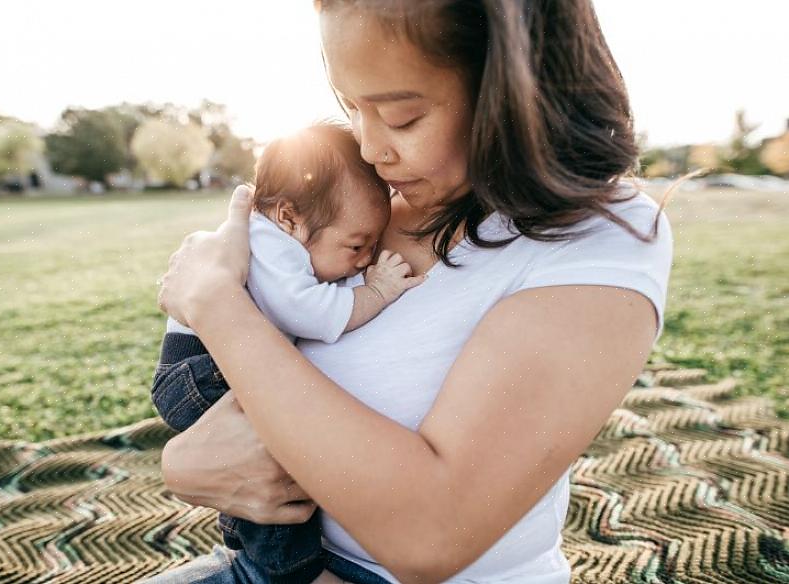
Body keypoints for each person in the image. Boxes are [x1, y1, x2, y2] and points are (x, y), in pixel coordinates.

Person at [148, 1, 674, 582]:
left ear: (512, 93)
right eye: (350, 106)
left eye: (401, 117)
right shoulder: (366, 205)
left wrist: (216, 306)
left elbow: (430, 534)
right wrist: (182, 465)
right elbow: (217, 429)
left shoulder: (598, 235)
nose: (371, 149)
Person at [151, 121, 424, 583]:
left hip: (204, 365)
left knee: (270, 448)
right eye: (357, 245)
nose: (363, 259)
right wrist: (375, 291)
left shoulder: (281, 236)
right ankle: (286, 569)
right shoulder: (271, 247)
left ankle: (250, 542)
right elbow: (308, 314)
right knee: (282, 442)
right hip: (198, 373)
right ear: (288, 218)